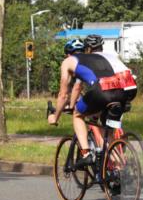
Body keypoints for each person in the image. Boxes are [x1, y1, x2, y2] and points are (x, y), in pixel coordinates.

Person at [48, 34, 137, 167]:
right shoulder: (107, 56)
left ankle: (86, 154)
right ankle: (119, 170)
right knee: (107, 129)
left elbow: (63, 95)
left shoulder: (68, 62)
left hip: (104, 91)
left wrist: (55, 117)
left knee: (78, 115)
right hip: (129, 90)